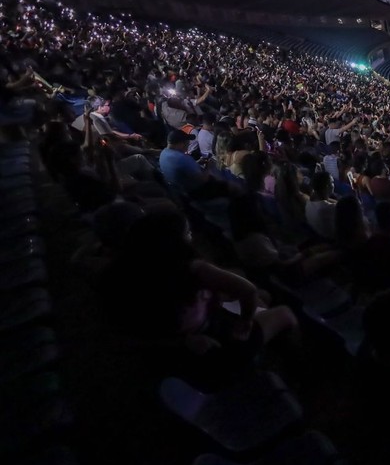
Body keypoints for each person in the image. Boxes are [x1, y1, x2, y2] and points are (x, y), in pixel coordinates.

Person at [101, 210, 297, 380]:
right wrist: (245, 323)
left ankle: (271, 354)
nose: (191, 237)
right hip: (211, 352)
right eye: (187, 233)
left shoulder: (122, 276)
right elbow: (248, 291)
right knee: (285, 313)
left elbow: (125, 337)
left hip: (182, 343)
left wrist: (180, 342)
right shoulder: (189, 269)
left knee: (264, 295)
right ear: (174, 243)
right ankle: (298, 367)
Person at [159, 129, 236, 200]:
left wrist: (197, 162)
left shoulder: (163, 153)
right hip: (196, 192)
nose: (188, 145)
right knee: (234, 187)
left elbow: (183, 169)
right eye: (187, 142)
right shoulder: (182, 158)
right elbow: (203, 180)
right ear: (181, 143)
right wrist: (208, 167)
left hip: (181, 191)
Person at [305, 171, 337, 241]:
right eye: (332, 182)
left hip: (319, 236)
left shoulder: (309, 203)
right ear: (327, 186)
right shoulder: (327, 208)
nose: (333, 185)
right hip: (332, 240)